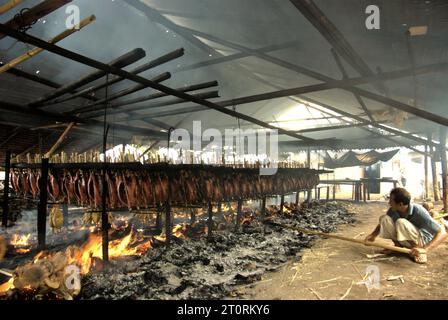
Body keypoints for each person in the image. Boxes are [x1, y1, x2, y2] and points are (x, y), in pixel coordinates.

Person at [365, 187, 447, 264]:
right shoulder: (393, 209)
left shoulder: (418, 211)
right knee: (384, 218)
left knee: (401, 222)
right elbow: (382, 224)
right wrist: (373, 235)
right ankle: (398, 246)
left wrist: (425, 249)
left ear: (400, 204)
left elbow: (443, 233)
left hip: (421, 241)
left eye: (391, 201)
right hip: (405, 239)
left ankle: (417, 251)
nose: (389, 203)